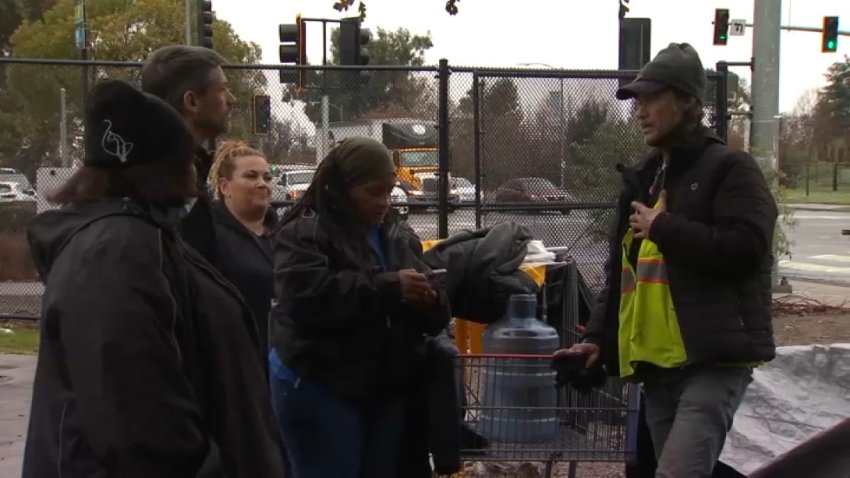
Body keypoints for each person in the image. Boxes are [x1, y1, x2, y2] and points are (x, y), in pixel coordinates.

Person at [22, 79, 284, 478]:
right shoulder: (116, 251)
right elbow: (138, 418)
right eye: (187, 159)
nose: (194, 175)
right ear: (160, 166)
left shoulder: (140, 239)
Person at [554, 43, 778, 478]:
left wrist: (665, 229)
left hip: (711, 363)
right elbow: (622, 273)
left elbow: (748, 247)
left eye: (652, 97)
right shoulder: (644, 178)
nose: (640, 110)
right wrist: (597, 339)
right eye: (638, 100)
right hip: (657, 370)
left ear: (688, 102)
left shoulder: (730, 168)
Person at [269, 137, 452, 478]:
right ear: (342, 189)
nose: (384, 202)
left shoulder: (395, 232)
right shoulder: (304, 234)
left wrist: (432, 300)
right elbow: (308, 300)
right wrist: (390, 288)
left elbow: (433, 292)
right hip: (320, 386)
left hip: (381, 388)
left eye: (389, 190)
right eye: (373, 192)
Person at [141, 45, 236, 262]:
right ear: (192, 101)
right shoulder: (162, 184)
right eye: (222, 89)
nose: (231, 100)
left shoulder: (186, 168)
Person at [208, 140, 280, 368]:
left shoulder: (286, 236)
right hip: (234, 360)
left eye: (267, 178)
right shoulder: (208, 236)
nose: (262, 184)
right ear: (224, 186)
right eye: (251, 176)